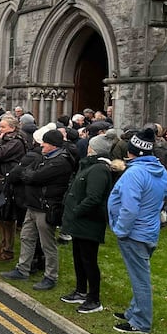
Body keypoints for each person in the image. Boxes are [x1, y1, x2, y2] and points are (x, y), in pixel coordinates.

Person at [108, 127, 167, 334]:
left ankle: (141, 322)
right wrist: (154, 207)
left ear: (132, 151)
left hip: (134, 232)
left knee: (140, 278)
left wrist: (121, 230)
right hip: (148, 229)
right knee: (139, 274)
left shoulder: (135, 173)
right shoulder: (158, 169)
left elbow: (130, 208)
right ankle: (134, 311)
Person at [2, 128, 75, 290]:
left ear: (54, 145)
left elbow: (33, 176)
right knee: (26, 237)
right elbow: (25, 173)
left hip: (46, 207)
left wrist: (29, 175)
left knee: (47, 243)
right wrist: (28, 175)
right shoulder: (44, 157)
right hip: (33, 205)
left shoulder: (60, 162)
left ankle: (51, 276)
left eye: (46, 143)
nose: (42, 145)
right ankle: (23, 269)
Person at [59, 134, 116, 314]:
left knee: (89, 260)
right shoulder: (89, 165)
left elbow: (94, 197)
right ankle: (81, 291)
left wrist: (76, 211)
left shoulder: (99, 169)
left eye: (90, 146)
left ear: (94, 149)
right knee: (78, 258)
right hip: (80, 222)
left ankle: (94, 298)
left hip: (89, 222)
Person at [0, 116, 28, 261]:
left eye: (3, 127)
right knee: (0, 217)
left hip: (8, 182)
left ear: (12, 127)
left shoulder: (17, 141)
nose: (0, 130)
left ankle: (8, 249)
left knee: (8, 218)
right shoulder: (6, 140)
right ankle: (3, 244)